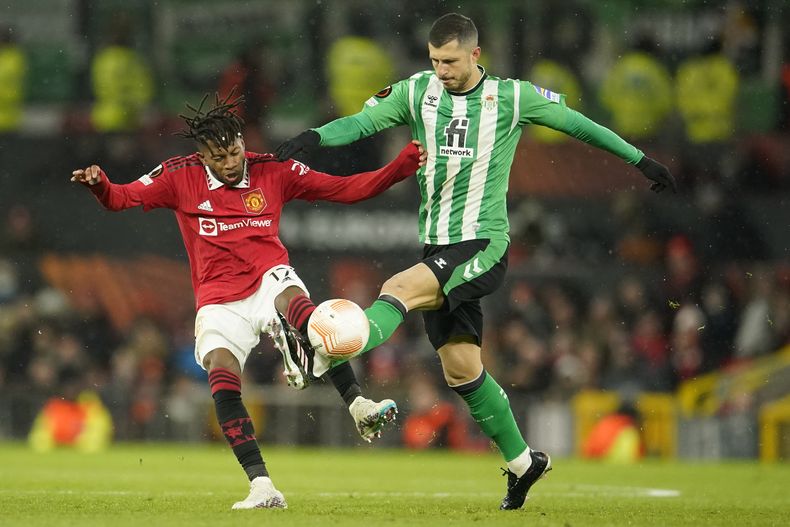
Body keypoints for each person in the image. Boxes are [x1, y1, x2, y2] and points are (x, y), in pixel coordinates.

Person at [276, 13, 676, 511]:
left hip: (482, 244)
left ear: (475, 55)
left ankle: (320, 347)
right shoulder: (416, 91)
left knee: (398, 289)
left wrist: (641, 161)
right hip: (437, 246)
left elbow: (580, 126)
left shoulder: (512, 98)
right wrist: (311, 139)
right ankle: (524, 462)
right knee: (461, 370)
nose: (441, 70)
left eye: (449, 61)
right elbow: (361, 123)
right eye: (434, 60)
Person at [71, 93, 426, 509]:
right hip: (219, 300)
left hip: (268, 279)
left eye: (235, 151)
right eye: (218, 157)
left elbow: (346, 189)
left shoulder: (272, 170)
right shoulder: (177, 175)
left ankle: (356, 402)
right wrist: (101, 186)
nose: (230, 162)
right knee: (222, 377)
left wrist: (401, 166)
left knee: (304, 311)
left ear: (243, 142)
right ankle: (262, 486)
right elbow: (122, 198)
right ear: (202, 155)